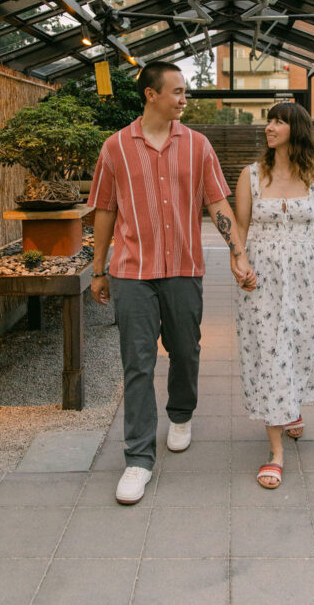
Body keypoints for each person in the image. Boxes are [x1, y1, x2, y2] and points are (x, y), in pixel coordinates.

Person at [88, 61, 256, 505]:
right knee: (137, 363)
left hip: (184, 268)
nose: (185, 99)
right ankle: (138, 459)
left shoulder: (198, 146)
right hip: (131, 272)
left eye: (185, 92)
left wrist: (238, 252)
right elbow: (104, 210)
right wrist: (98, 268)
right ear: (151, 94)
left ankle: (180, 415)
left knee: (185, 349)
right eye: (178, 92)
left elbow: (217, 202)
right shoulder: (115, 148)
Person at [234, 102, 314, 489]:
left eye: (277, 122)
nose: (268, 127)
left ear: (296, 130)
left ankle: (291, 408)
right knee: (270, 353)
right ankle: (276, 453)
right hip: (262, 280)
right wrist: (239, 266)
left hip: (305, 276)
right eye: (269, 120)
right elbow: (239, 228)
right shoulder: (251, 176)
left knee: (301, 345)